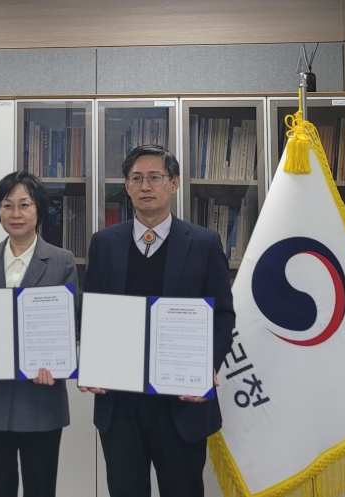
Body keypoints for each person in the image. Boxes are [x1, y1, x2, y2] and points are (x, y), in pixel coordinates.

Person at [80, 144, 234, 497]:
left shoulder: (204, 243)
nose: (145, 186)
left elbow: (223, 314)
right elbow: (92, 311)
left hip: (180, 401)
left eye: (155, 177)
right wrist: (92, 363)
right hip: (120, 403)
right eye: (136, 179)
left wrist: (207, 365)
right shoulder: (104, 243)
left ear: (174, 183)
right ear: (127, 186)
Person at [0, 171, 78, 497]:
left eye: (24, 205)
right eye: (7, 205)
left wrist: (57, 364)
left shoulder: (61, 261)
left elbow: (68, 325)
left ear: (38, 209)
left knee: (40, 489)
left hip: (42, 399)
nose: (15, 213)